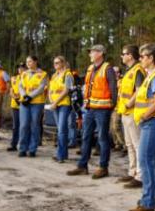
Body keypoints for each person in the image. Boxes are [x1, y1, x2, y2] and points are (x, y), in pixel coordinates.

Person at [129, 43, 155, 211]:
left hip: (153, 122)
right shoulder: (151, 76)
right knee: (153, 161)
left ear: (151, 58)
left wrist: (144, 115)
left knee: (145, 160)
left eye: (143, 56)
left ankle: (148, 202)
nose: (140, 59)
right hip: (154, 122)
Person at [69, 45, 117, 179]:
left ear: (100, 53)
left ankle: (103, 167)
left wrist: (111, 107)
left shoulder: (108, 69)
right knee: (85, 136)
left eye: (92, 52)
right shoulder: (90, 68)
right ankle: (82, 166)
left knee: (102, 138)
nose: (90, 54)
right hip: (90, 108)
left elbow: (113, 89)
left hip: (103, 109)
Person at [116, 45, 145, 188]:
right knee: (129, 144)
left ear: (131, 56)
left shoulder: (138, 70)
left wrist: (128, 104)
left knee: (137, 144)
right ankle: (132, 171)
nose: (122, 56)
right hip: (125, 112)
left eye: (124, 54)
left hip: (132, 112)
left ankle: (140, 176)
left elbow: (139, 91)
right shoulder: (129, 71)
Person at [17, 56, 48, 157]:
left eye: (30, 61)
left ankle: (32, 149)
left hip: (37, 102)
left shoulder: (43, 74)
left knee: (34, 125)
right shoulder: (24, 74)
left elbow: (41, 87)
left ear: (35, 62)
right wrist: (24, 96)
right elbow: (20, 85)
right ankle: (22, 148)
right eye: (27, 62)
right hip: (24, 102)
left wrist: (30, 96)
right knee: (23, 125)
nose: (28, 63)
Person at [49, 56, 75, 164]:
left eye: (58, 63)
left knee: (61, 130)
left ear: (63, 63)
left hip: (64, 104)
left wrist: (55, 102)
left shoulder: (68, 75)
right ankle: (63, 154)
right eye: (54, 63)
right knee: (60, 129)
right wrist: (51, 101)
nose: (56, 65)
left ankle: (61, 155)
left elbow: (66, 90)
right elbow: (50, 90)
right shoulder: (54, 75)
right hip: (55, 105)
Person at [5, 62, 23, 152]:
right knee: (15, 125)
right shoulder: (14, 78)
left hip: (24, 104)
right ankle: (14, 144)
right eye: (19, 67)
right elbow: (11, 89)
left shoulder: (27, 78)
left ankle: (23, 144)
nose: (20, 69)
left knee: (24, 126)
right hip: (15, 104)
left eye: (22, 67)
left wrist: (20, 97)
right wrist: (14, 96)